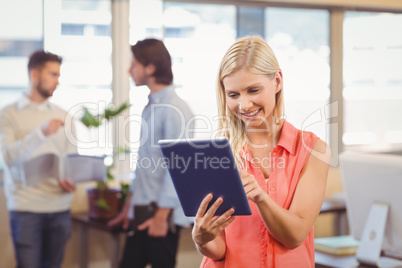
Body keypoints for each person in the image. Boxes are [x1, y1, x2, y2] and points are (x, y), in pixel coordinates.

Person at [191, 36, 331, 268]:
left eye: (253, 90)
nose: (244, 105)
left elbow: (295, 235)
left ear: (277, 81)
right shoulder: (218, 155)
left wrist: (260, 197)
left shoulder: (313, 150)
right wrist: (202, 238)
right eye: (233, 95)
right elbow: (221, 249)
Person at [108, 38, 194, 268]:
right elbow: (145, 165)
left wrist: (161, 216)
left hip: (160, 217)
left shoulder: (175, 109)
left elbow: (178, 169)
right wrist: (128, 209)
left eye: (134, 65)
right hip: (143, 212)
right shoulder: (151, 106)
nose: (129, 70)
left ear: (150, 68)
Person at [0, 50, 77, 267]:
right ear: (35, 75)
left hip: (60, 207)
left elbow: (72, 160)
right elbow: (8, 156)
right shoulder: (8, 114)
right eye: (52, 74)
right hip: (26, 209)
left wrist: (72, 180)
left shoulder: (64, 116)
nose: (57, 81)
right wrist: (40, 133)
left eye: (59, 75)